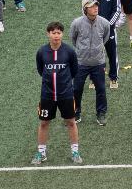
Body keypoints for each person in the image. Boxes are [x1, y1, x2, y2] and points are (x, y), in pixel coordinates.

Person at [32, 22, 82, 165]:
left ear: (62, 34)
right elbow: (41, 70)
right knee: (43, 123)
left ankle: (75, 152)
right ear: (48, 34)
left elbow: (74, 70)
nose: (56, 35)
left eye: (59, 33)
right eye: (53, 33)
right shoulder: (42, 52)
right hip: (47, 95)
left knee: (71, 122)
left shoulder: (69, 52)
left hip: (65, 95)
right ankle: (41, 153)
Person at [70, 0, 111, 126]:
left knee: (101, 89)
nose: (95, 8)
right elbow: (73, 38)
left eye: (96, 6)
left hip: (98, 63)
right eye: (92, 6)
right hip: (80, 63)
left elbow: (105, 38)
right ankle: (75, 113)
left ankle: (101, 113)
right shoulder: (77, 23)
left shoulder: (104, 23)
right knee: (76, 89)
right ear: (85, 9)